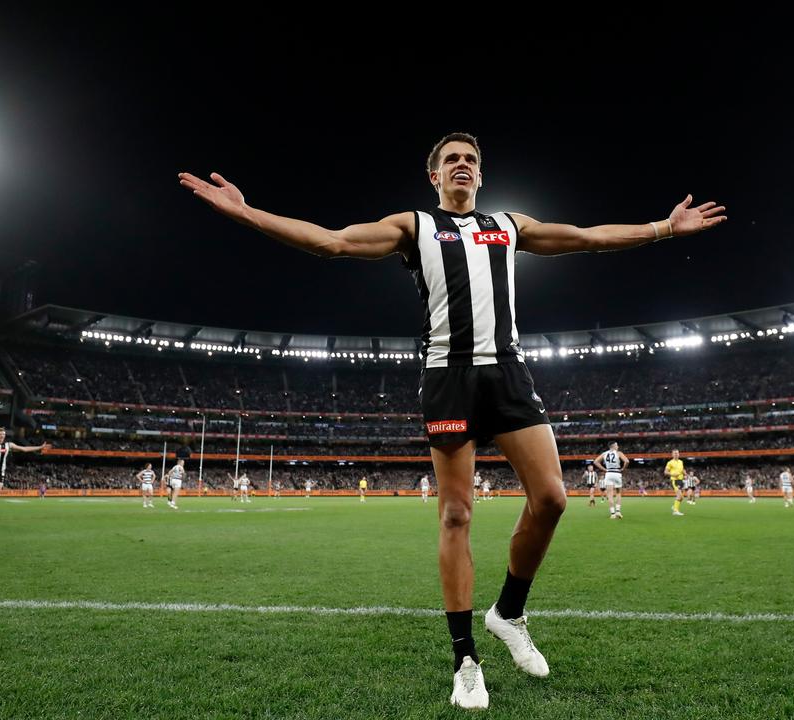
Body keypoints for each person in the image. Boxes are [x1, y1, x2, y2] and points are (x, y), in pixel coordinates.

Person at [179, 131, 725, 710]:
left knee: (553, 499)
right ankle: (465, 659)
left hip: (508, 373)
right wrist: (244, 214)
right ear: (434, 177)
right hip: (449, 378)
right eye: (451, 161)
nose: (462, 166)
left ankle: (508, 614)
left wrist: (664, 228)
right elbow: (332, 242)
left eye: (471, 160)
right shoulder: (413, 227)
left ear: (481, 176)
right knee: (457, 512)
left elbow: (588, 238)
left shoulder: (509, 225)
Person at [592, 442, 628, 519]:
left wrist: (604, 469)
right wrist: (623, 469)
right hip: (617, 473)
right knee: (618, 493)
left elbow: (595, 462)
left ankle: (612, 514)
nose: (618, 446)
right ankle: (618, 512)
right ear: (613, 446)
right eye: (617, 445)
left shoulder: (604, 453)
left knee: (610, 494)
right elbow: (627, 461)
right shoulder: (619, 453)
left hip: (608, 473)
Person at [665, 449, 687, 516]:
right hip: (675, 480)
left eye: (677, 453)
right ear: (672, 454)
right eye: (674, 453)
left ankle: (675, 506)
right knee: (679, 496)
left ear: (679, 454)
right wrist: (672, 474)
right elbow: (665, 472)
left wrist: (685, 474)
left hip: (681, 480)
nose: (676, 454)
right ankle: (675, 511)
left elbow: (682, 469)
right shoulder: (670, 462)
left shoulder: (681, 462)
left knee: (682, 498)